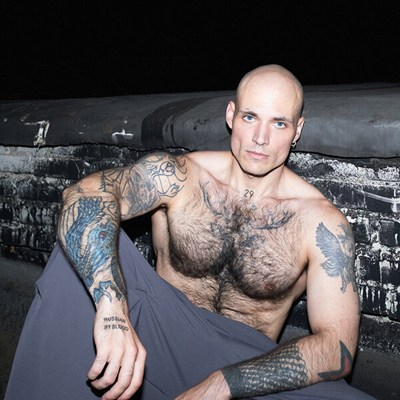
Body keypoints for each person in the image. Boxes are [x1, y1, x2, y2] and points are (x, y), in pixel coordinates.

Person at [5, 64, 375, 400]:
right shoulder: (180, 177)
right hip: (159, 339)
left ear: (297, 130)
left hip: (245, 362)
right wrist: (112, 311)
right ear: (231, 116)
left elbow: (337, 347)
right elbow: (84, 195)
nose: (260, 137)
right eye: (250, 117)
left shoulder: (319, 222)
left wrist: (223, 383)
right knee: (86, 237)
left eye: (279, 123)